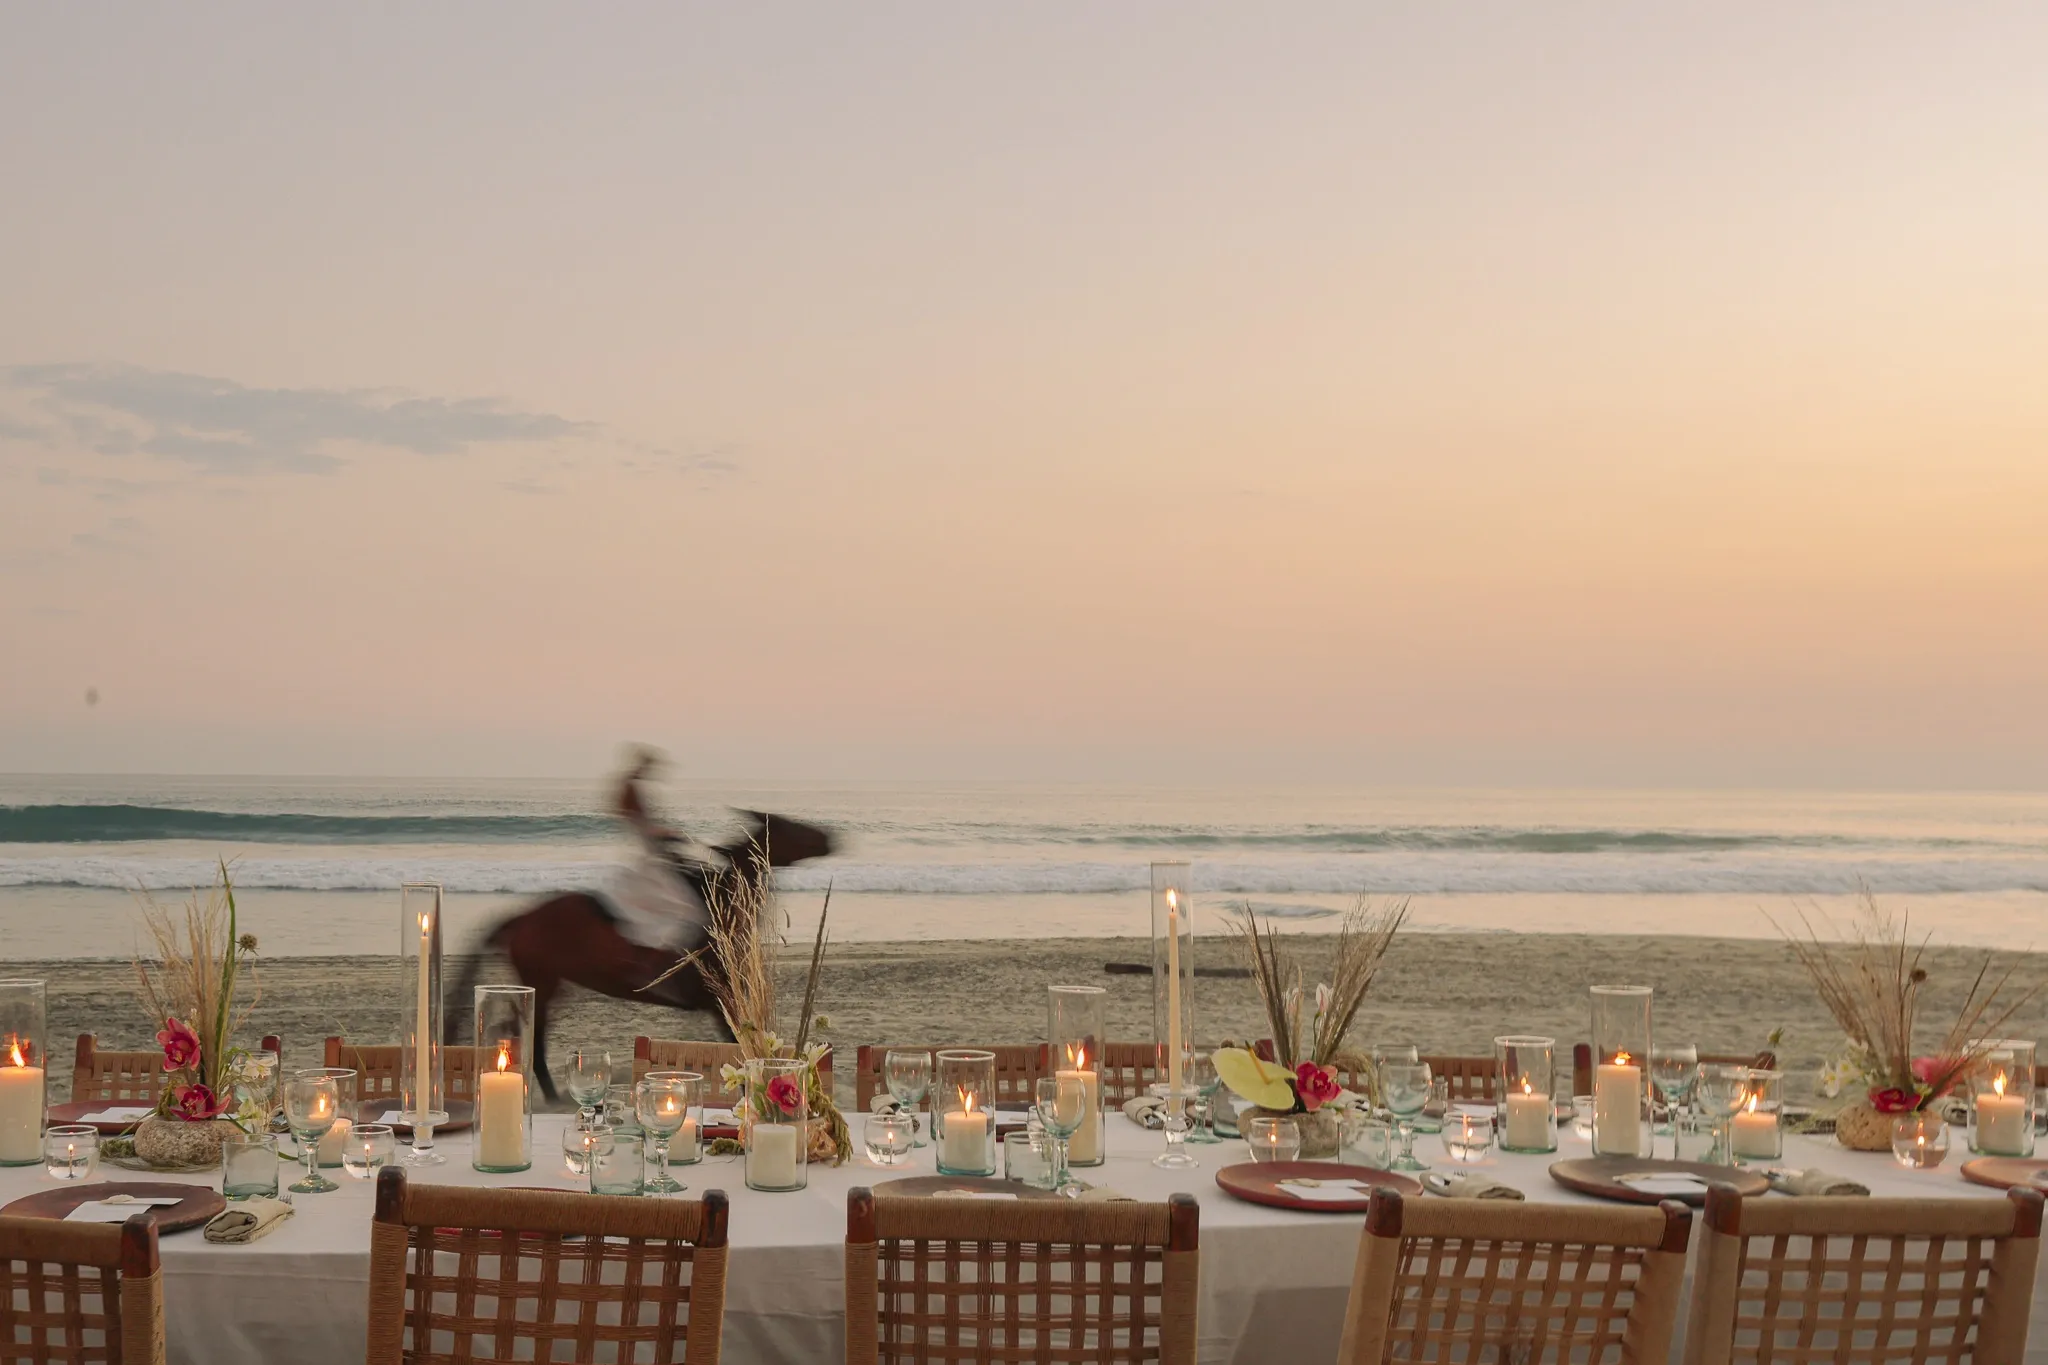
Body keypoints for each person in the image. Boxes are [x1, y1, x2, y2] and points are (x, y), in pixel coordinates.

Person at [601, 748, 713, 954]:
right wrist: (672, 834)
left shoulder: (630, 786)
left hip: (645, 846)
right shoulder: (632, 788)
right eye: (650, 767)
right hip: (647, 849)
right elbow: (644, 824)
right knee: (679, 900)